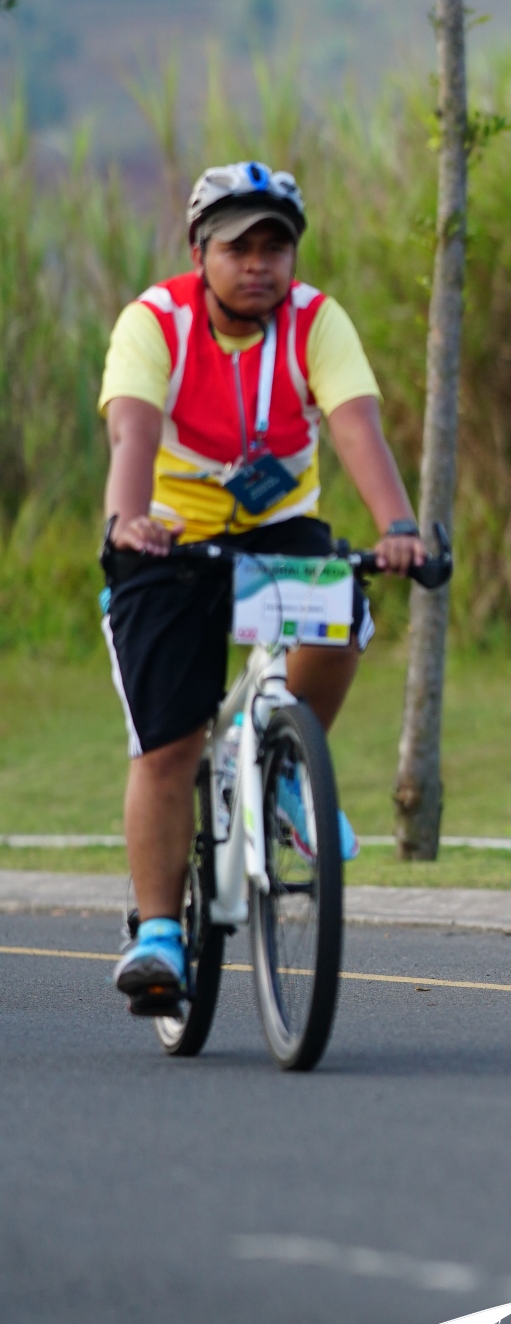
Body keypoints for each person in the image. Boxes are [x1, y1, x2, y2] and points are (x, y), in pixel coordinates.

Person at [100, 160, 424, 1015]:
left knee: (341, 608)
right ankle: (158, 932)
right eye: (238, 248)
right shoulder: (155, 322)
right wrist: (127, 519)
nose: (258, 264)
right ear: (199, 253)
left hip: (278, 528)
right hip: (167, 536)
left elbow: (356, 427)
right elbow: (132, 431)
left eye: (275, 247)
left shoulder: (317, 321)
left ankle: (282, 760)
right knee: (169, 745)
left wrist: (399, 527)